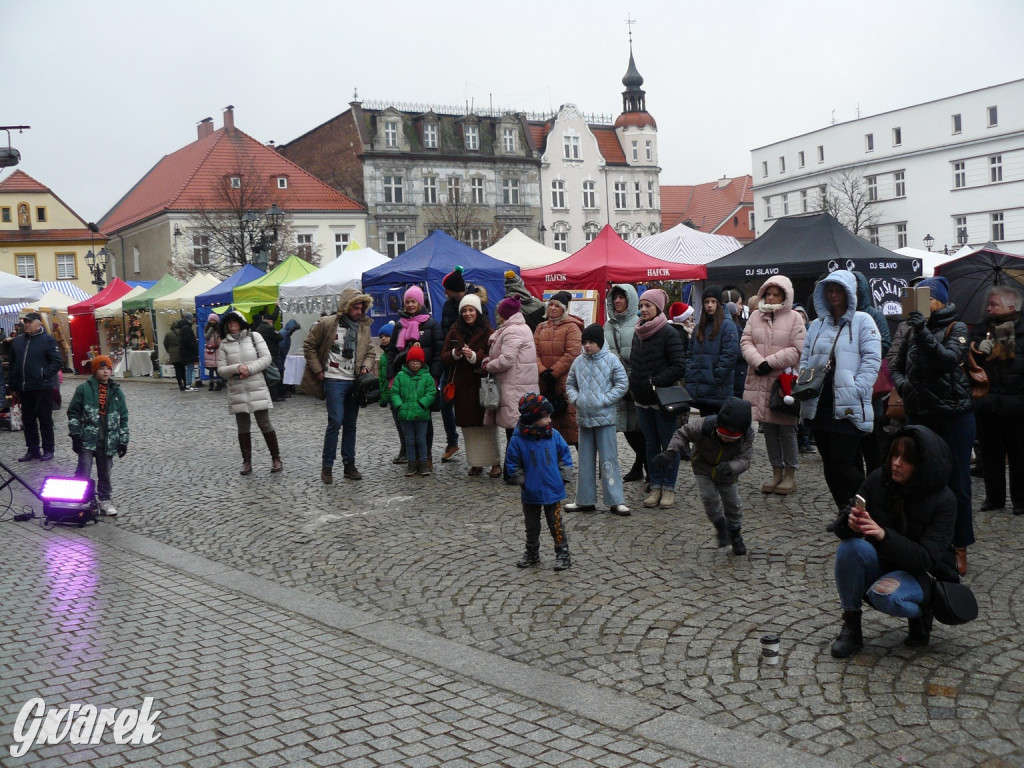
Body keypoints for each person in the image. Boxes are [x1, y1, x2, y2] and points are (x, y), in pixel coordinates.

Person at [828, 425, 957, 658]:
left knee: (885, 595)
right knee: (850, 547)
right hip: (885, 562)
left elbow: (925, 559)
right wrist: (849, 522)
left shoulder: (944, 500)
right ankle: (851, 626)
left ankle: (920, 614)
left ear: (921, 465)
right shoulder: (879, 478)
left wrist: (883, 535)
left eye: (906, 459)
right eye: (894, 455)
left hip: (925, 574)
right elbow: (842, 530)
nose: (896, 463)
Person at [889, 276, 975, 576]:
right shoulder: (912, 330)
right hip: (919, 414)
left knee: (958, 483)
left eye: (926, 298)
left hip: (953, 416)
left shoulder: (957, 328)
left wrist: (923, 331)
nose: (921, 304)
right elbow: (896, 364)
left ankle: (959, 545)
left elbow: (948, 360)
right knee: (917, 479)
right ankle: (920, 542)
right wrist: (904, 385)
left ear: (937, 300)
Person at [800, 270, 881, 509]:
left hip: (849, 402)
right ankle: (845, 512)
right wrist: (805, 384)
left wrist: (858, 388)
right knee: (830, 463)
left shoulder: (863, 321)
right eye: (830, 290)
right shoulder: (816, 325)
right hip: (820, 402)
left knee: (843, 462)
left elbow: (872, 359)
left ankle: (871, 506)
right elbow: (805, 358)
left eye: (839, 290)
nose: (834, 295)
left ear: (849, 293)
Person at [656, 397, 755, 554]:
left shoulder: (747, 435)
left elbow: (745, 459)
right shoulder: (704, 425)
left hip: (727, 472)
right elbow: (682, 434)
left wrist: (731, 467)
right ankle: (720, 526)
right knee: (709, 498)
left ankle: (735, 533)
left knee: (732, 503)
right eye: (723, 435)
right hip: (703, 467)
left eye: (730, 438)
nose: (725, 439)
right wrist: (671, 451)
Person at [301, 288, 375, 483]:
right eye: (355, 307)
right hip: (334, 379)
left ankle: (349, 465)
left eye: (362, 308)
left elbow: (370, 352)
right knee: (335, 421)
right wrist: (318, 370)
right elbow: (309, 345)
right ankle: (327, 466)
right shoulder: (327, 323)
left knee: (351, 424)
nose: (359, 312)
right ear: (346, 307)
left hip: (355, 381)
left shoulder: (363, 328)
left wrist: (366, 368)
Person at [741, 276, 806, 495]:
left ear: (784, 296)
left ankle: (790, 473)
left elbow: (797, 349)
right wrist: (759, 362)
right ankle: (776, 471)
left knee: (787, 429)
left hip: (782, 382)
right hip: (760, 379)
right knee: (768, 429)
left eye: (775, 294)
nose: (770, 297)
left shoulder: (795, 319)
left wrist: (772, 362)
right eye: (768, 293)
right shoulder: (755, 316)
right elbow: (746, 342)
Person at [628, 288, 688, 509]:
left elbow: (679, 367)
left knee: (668, 445)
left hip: (663, 400)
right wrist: (634, 382)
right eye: (641, 305)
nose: (643, 309)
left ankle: (669, 487)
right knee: (650, 444)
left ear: (658, 308)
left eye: (648, 305)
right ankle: (655, 486)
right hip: (641, 398)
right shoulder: (638, 332)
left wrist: (655, 382)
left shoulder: (669, 333)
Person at [971, 285, 1024, 517]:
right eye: (989, 304)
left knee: (1019, 455)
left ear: (1011, 306)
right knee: (990, 454)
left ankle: (1021, 501)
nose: (989, 308)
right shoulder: (983, 330)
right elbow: (967, 358)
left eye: (995, 304)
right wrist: (976, 349)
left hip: (1017, 403)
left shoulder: (1021, 329)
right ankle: (994, 498)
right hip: (987, 402)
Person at [505, 393, 574, 571]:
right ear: (533, 419)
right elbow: (512, 463)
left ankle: (563, 553)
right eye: (545, 416)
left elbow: (565, 455)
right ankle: (532, 552)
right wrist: (522, 482)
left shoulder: (554, 435)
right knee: (532, 525)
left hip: (553, 488)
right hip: (531, 491)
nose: (549, 420)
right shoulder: (518, 439)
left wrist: (564, 476)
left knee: (556, 522)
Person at [566, 323, 630, 515]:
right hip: (584, 418)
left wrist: (604, 399)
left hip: (605, 419)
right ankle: (584, 499)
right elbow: (570, 383)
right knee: (585, 460)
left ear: (600, 343)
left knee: (609, 460)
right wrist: (576, 399)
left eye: (591, 342)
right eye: (585, 342)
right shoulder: (578, 361)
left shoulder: (611, 360)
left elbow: (622, 383)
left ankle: (615, 500)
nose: (587, 346)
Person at [441, 293, 501, 477]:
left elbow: (494, 357)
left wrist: (475, 357)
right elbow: (443, 357)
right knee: (469, 428)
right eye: (465, 310)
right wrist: (456, 354)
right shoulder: (454, 330)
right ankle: (476, 463)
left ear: (478, 311)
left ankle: (494, 463)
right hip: (462, 386)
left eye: (471, 310)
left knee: (486, 425)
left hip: (481, 385)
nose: (468, 313)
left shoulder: (488, 331)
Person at [216, 311, 282, 475]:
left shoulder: (255, 337)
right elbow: (221, 370)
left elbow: (266, 358)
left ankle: (276, 458)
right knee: (243, 427)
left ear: (241, 322)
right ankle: (247, 462)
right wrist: (237, 369)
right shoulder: (224, 344)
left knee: (264, 423)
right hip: (237, 389)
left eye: (235, 321)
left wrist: (249, 369)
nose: (232, 324)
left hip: (256, 386)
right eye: (229, 322)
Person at [386, 286, 443, 467]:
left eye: (413, 302)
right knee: (405, 417)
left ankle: (426, 456)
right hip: (403, 378)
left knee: (424, 417)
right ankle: (412, 456)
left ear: (420, 302)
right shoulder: (399, 325)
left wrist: (434, 376)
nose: (410, 305)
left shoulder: (431, 324)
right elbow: (391, 352)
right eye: (407, 302)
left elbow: (438, 352)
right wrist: (391, 376)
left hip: (424, 379)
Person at [67, 356, 129, 516]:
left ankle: (105, 500)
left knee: (105, 472)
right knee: (84, 469)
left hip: (108, 440)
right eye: (102, 369)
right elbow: (73, 412)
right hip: (87, 438)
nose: (106, 371)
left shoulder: (116, 391)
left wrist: (123, 440)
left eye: (108, 368)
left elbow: (123, 416)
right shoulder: (83, 389)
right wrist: (75, 434)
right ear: (95, 371)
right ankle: (80, 499)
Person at [483, 296, 540, 443]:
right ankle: (515, 465)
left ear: (504, 314)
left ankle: (513, 466)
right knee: (517, 432)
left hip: (515, 387)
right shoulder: (521, 327)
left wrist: (489, 365)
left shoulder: (512, 331)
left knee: (514, 433)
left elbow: (507, 360)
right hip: (519, 384)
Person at [852, 271, 893, 477]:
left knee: (873, 444)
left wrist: (860, 356)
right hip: (847, 390)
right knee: (852, 450)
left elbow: (884, 343)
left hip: (869, 390)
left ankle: (877, 483)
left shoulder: (873, 315)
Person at [8, 312, 62, 461]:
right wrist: (13, 386)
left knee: (45, 419)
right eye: (25, 322)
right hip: (24, 388)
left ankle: (48, 449)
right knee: (28, 420)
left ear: (39, 324)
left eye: (29, 322)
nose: (26, 324)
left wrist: (43, 374)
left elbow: (57, 362)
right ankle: (32, 450)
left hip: (42, 387)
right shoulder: (17, 342)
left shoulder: (47, 340)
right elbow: (13, 365)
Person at [606, 284, 646, 483]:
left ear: (630, 300)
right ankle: (640, 465)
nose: (618, 301)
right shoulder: (608, 325)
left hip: (636, 384)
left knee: (641, 428)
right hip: (617, 386)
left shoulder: (640, 323)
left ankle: (647, 467)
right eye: (615, 297)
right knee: (628, 428)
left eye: (622, 297)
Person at [534, 291, 583, 447]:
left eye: (557, 305)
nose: (553, 308)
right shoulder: (540, 327)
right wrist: (543, 371)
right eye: (551, 305)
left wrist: (553, 372)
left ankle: (584, 465)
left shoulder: (572, 327)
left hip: (564, 382)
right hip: (545, 382)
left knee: (571, 424)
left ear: (564, 309)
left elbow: (572, 353)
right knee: (549, 425)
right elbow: (534, 352)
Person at [686, 286, 740, 417]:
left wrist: (715, 377)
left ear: (719, 303)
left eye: (713, 301)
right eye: (706, 302)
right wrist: (690, 372)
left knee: (718, 428)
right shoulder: (700, 327)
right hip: (701, 389)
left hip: (718, 389)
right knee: (705, 429)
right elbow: (690, 354)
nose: (709, 305)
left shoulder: (727, 325)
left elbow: (729, 355)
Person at [390, 344, 436, 476]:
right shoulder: (400, 376)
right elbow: (394, 393)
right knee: (409, 440)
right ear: (408, 362)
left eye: (417, 361)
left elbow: (431, 393)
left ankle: (423, 464)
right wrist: (399, 406)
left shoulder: (427, 377)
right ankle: (411, 464)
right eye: (412, 361)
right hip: (405, 414)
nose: (415, 364)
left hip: (422, 415)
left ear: (421, 363)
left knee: (421, 440)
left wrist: (422, 404)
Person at [439, 266, 468, 463]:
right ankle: (452, 441)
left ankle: (477, 450)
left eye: (447, 289)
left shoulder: (470, 304)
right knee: (444, 402)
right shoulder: (448, 306)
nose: (445, 293)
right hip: (450, 361)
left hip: (468, 362)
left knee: (469, 407)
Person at [376, 321, 405, 459]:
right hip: (390, 394)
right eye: (381, 336)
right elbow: (382, 379)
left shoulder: (398, 353)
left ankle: (407, 450)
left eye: (386, 336)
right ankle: (404, 448)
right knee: (398, 424)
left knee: (404, 424)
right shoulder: (383, 357)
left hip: (400, 394)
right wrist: (383, 397)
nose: (383, 339)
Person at [178, 313, 200, 391]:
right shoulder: (187, 328)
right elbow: (188, 342)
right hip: (188, 352)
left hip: (186, 352)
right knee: (190, 368)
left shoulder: (184, 327)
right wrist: (195, 347)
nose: (194, 320)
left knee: (190, 368)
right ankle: (188, 384)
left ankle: (189, 384)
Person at [203, 313, 223, 392]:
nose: (212, 321)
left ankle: (219, 384)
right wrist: (211, 329)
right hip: (210, 351)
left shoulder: (220, 329)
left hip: (217, 350)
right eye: (211, 320)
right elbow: (206, 337)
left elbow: (221, 339)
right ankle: (211, 384)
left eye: (214, 320)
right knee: (211, 369)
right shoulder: (207, 328)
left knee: (217, 369)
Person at [163, 319, 185, 391]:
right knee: (183, 369)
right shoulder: (182, 332)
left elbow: (165, 343)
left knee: (177, 369)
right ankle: (185, 383)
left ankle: (180, 384)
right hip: (182, 351)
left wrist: (169, 350)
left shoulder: (168, 333)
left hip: (173, 353)